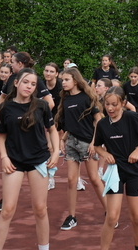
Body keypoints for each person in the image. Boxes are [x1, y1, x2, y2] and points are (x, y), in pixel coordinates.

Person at [0, 68, 60, 250]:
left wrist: (56, 152)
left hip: (38, 161)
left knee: (40, 209)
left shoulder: (42, 106)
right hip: (14, 161)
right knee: (7, 210)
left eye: (33, 84)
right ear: (16, 83)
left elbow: (52, 130)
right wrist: (4, 157)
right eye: (26, 82)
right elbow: (2, 136)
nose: (29, 86)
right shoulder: (5, 107)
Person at [94, 86, 138, 250]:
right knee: (111, 217)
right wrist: (105, 154)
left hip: (133, 171)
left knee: (137, 217)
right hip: (115, 173)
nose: (110, 108)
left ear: (123, 103)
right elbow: (97, 146)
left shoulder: (131, 117)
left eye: (114, 104)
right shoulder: (102, 124)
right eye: (107, 104)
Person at [56, 67, 106, 231]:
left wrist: (94, 143)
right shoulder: (65, 99)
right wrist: (63, 139)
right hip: (71, 143)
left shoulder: (86, 98)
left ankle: (110, 211)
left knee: (94, 179)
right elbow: (71, 124)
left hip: (87, 144)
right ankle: (71, 216)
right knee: (71, 180)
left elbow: (98, 121)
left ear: (75, 81)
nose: (63, 82)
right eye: (62, 80)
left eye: (66, 79)